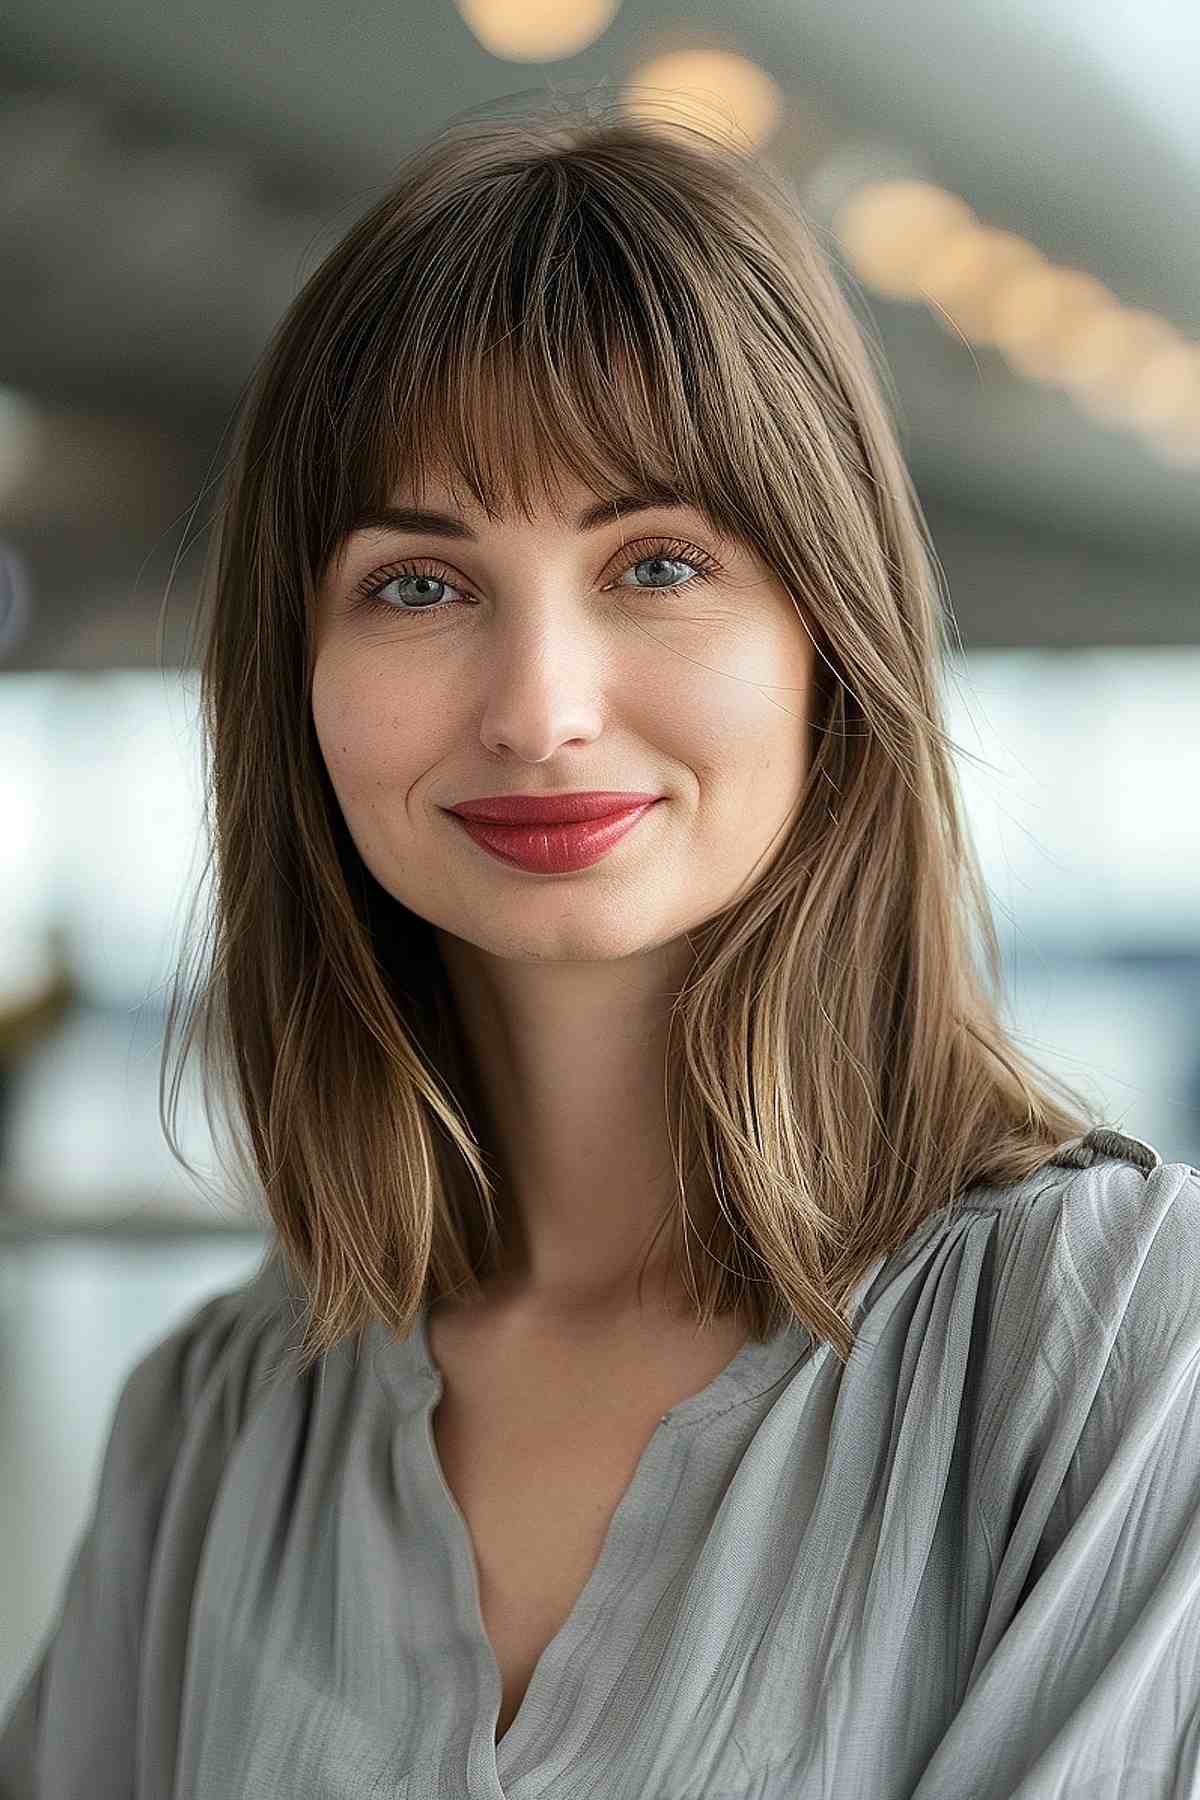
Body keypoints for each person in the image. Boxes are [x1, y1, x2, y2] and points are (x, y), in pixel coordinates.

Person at [2, 94, 1198, 1800]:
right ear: (301, 682)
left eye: (656, 563)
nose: (541, 713)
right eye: (420, 584)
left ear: (826, 643)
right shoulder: (220, 1423)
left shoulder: (1115, 1347)